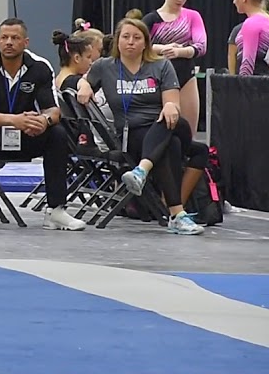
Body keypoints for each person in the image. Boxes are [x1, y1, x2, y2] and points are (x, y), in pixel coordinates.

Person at [76, 12, 205, 235]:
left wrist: (170, 105)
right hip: (132, 134)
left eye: (137, 38)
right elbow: (82, 80)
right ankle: (176, 214)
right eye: (126, 37)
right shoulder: (104, 66)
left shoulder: (161, 66)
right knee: (173, 146)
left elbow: (172, 103)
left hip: (166, 123)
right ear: (117, 41)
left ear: (146, 43)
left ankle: (142, 172)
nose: (131, 42)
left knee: (171, 123)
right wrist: (84, 85)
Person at [0, 18, 85, 231]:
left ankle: (56, 210)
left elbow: (54, 111)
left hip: (28, 135)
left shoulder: (40, 66)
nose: (9, 42)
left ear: (26, 42)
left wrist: (43, 121)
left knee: (57, 133)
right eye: (4, 38)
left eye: (15, 38)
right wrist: (13, 120)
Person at [141, 0, 208, 132]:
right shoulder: (151, 19)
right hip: (157, 75)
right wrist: (163, 48)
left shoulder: (192, 16)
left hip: (185, 73)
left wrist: (180, 52)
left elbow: (201, 46)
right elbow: (139, 46)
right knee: (162, 128)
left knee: (189, 131)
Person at [232, 0, 269, 76]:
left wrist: (242, 83)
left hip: (257, 82)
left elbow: (247, 64)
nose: (234, 2)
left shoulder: (251, 23)